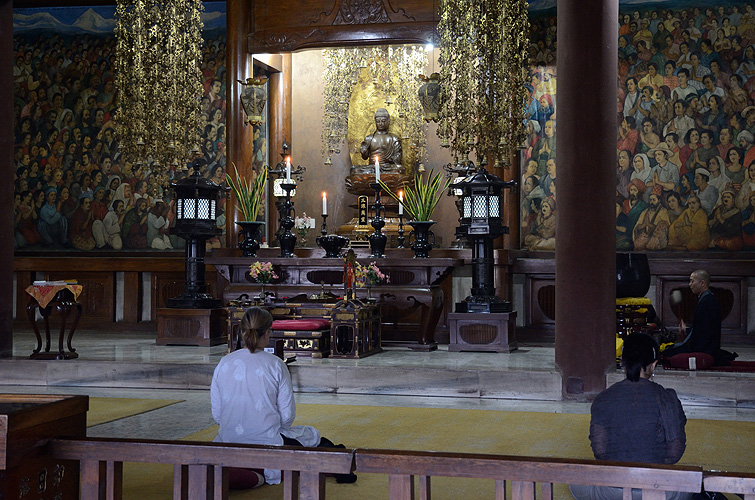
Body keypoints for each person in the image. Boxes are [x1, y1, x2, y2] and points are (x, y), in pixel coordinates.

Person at [211, 308, 356, 487]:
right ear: (268, 333)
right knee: (313, 438)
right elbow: (287, 416)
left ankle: (240, 474)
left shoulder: (224, 363)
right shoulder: (275, 364)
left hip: (228, 440)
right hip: (268, 442)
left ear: (241, 332)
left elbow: (217, 414)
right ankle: (258, 473)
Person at [570, 334, 689, 500]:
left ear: (623, 363)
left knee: (574, 481)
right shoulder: (667, 398)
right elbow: (675, 452)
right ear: (653, 365)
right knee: (689, 485)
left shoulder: (604, 398)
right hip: (659, 491)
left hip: (612, 491)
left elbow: (600, 451)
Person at [662, 270, 736, 366]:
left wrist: (687, 336)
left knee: (667, 353)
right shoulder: (706, 299)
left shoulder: (707, 302)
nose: (690, 285)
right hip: (704, 345)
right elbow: (702, 328)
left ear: (702, 283)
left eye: (692, 281)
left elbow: (703, 334)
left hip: (704, 349)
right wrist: (687, 329)